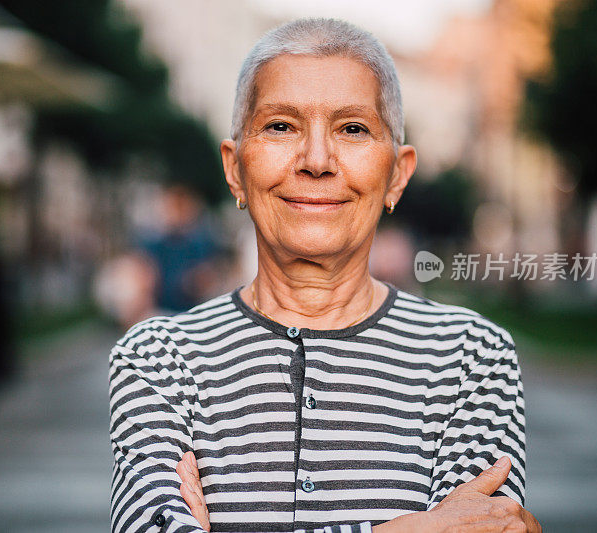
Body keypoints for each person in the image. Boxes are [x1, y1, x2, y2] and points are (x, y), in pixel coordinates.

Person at [108, 18, 541, 533]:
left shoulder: (472, 357)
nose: (316, 160)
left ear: (396, 175)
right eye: (280, 126)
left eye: (353, 129)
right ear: (234, 169)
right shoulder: (156, 358)